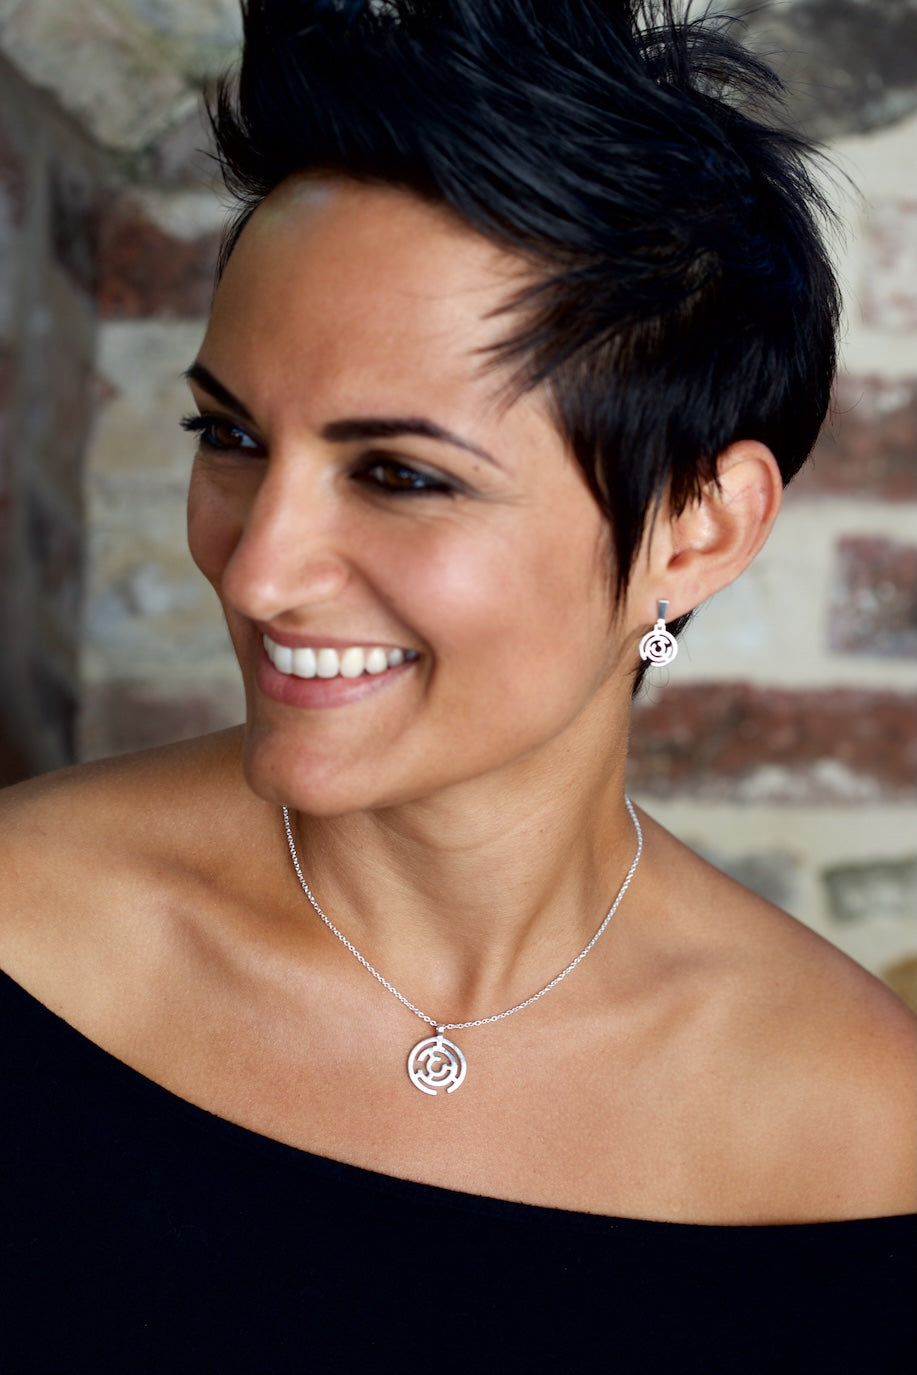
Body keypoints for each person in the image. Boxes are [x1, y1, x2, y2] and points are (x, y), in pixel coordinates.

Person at [0, 1, 913, 1369]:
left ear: (694, 531)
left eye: (399, 474)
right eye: (230, 437)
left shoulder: (862, 1138)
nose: (258, 570)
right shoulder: (24, 935)